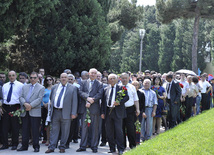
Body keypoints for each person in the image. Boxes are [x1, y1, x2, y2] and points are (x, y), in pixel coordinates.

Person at [45, 73, 78, 153]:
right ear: (60, 78)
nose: (63, 79)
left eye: (65, 77)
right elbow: (51, 98)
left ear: (67, 79)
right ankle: (52, 147)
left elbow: (75, 101)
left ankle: (62, 146)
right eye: (62, 77)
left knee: (65, 131)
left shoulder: (73, 88)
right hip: (56, 111)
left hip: (66, 112)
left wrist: (74, 112)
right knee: (54, 131)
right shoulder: (55, 87)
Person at [76, 68, 103, 153]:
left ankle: (94, 146)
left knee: (94, 128)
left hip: (94, 109)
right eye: (92, 73)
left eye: (95, 73)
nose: (93, 74)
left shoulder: (99, 84)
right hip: (84, 108)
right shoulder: (83, 82)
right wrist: (87, 98)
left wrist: (92, 100)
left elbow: (100, 94)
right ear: (88, 73)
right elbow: (80, 92)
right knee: (84, 128)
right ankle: (83, 146)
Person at [101, 74, 129, 155]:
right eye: (110, 79)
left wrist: (119, 102)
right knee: (109, 131)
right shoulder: (105, 89)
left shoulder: (121, 88)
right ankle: (112, 148)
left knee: (119, 131)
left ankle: (120, 149)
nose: (112, 80)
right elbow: (103, 102)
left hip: (118, 112)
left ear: (117, 79)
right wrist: (102, 112)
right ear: (108, 80)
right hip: (108, 112)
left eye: (113, 78)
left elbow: (127, 97)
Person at [17, 72, 45, 152]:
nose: (32, 79)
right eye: (31, 77)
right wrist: (25, 104)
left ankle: (36, 146)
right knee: (25, 129)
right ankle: (24, 146)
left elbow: (39, 99)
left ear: (37, 78)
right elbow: (21, 97)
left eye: (34, 77)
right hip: (25, 110)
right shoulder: (25, 87)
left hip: (35, 111)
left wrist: (30, 106)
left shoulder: (41, 87)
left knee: (35, 130)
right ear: (29, 78)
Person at [0, 71, 23, 150]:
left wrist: (21, 108)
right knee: (4, 127)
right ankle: (5, 144)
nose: (11, 77)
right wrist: (0, 107)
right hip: (5, 107)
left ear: (16, 76)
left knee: (15, 126)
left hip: (15, 107)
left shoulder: (20, 85)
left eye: (13, 75)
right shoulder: (5, 86)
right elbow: (2, 98)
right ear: (8, 76)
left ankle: (14, 144)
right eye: (9, 76)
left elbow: (22, 97)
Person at [120, 73, 140, 149]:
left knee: (131, 128)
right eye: (123, 78)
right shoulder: (118, 87)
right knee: (121, 128)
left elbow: (136, 99)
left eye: (126, 78)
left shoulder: (132, 87)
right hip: (120, 110)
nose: (124, 79)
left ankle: (132, 145)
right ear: (120, 78)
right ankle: (122, 145)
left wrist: (137, 109)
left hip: (130, 110)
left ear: (129, 78)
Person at [66, 74, 80, 147]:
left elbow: (78, 101)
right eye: (69, 79)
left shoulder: (76, 88)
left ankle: (68, 142)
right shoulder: (63, 88)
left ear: (74, 81)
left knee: (72, 127)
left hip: (73, 111)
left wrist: (76, 111)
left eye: (71, 79)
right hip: (64, 111)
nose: (70, 80)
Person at [41, 75, 54, 146]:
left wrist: (50, 104)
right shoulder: (44, 89)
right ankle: (46, 138)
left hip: (53, 108)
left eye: (50, 79)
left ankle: (52, 139)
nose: (49, 81)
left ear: (52, 80)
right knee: (45, 123)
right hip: (44, 108)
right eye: (47, 80)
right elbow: (41, 97)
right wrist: (44, 104)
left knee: (53, 124)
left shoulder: (55, 88)